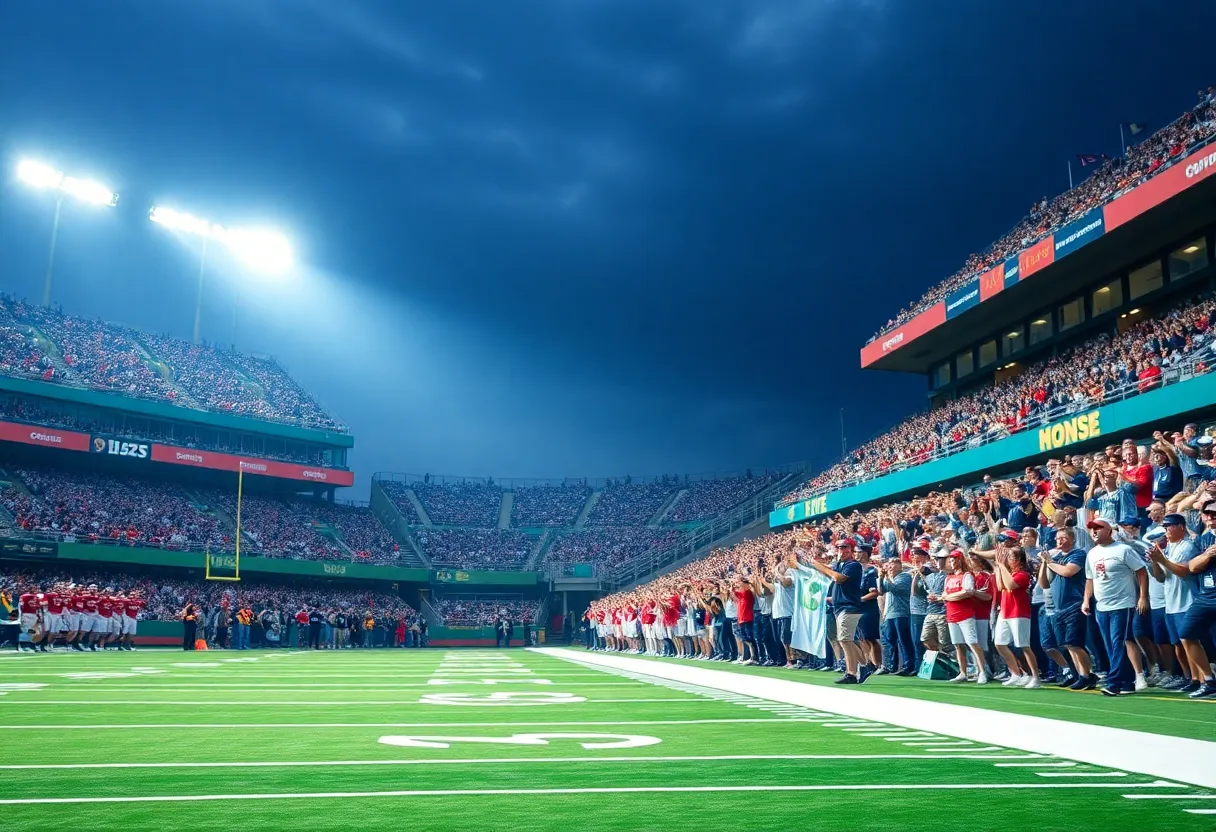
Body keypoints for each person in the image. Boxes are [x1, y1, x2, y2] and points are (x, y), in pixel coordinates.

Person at [1082, 517, 1149, 696]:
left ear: (1109, 530)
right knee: (1110, 644)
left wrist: (1142, 597)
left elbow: (1141, 572)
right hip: (1102, 605)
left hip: (1123, 603)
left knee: (1118, 642)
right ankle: (1127, 682)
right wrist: (1086, 600)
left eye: (1098, 528)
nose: (1094, 531)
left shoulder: (1123, 549)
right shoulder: (1092, 553)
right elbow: (1090, 578)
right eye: (1091, 528)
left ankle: (1114, 682)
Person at [805, 537, 868, 684]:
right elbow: (828, 571)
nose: (841, 550)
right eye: (839, 547)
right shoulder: (840, 564)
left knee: (845, 640)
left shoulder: (853, 565)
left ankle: (851, 673)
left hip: (849, 606)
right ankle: (865, 665)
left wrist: (819, 566)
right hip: (840, 606)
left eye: (845, 547)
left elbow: (837, 578)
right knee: (846, 640)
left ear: (851, 549)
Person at [1041, 527, 1094, 690]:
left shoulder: (1078, 554)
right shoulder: (1055, 559)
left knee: (1074, 643)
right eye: (1057, 538)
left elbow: (1069, 572)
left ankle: (1087, 675)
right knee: (1067, 644)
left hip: (1074, 603)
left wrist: (1050, 562)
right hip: (1058, 607)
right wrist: (1045, 563)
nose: (1059, 540)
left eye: (1063, 537)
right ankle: (1079, 674)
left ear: (1072, 539)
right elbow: (1044, 583)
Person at [993, 546, 1041, 688]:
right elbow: (1000, 586)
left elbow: (1010, 585)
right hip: (1005, 613)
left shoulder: (1023, 575)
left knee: (1024, 646)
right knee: (1000, 644)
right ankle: (1016, 673)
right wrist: (997, 567)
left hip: (1018, 613)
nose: (1008, 560)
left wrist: (1001, 566)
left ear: (1019, 560)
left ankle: (1035, 677)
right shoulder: (1011, 573)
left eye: (1010, 557)